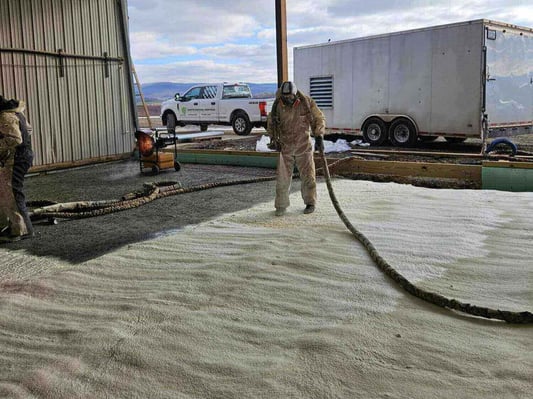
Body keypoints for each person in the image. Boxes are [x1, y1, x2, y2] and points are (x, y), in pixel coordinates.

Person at [267, 81, 326, 216]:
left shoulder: (306, 103)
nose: (288, 99)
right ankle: (281, 206)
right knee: (282, 179)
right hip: (285, 146)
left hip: (303, 146)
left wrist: (319, 135)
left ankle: (310, 203)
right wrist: (273, 139)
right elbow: (271, 123)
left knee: (308, 176)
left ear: (295, 94)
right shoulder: (278, 106)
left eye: (290, 97)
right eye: (285, 97)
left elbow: (319, 118)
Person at [0, 95, 34, 242]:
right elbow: (29, 130)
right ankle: (15, 225)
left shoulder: (4, 116)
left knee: (12, 193)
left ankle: (22, 230)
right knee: (8, 191)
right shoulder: (16, 112)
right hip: (22, 156)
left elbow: (15, 139)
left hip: (16, 159)